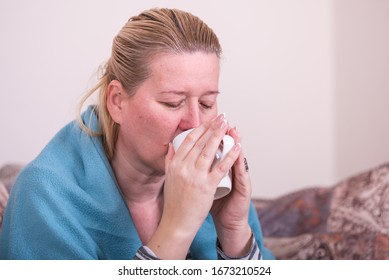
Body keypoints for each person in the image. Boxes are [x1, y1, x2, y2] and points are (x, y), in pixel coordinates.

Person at [0, 8, 273, 260]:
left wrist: (234, 231)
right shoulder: (46, 196)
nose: (194, 123)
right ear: (117, 101)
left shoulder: (212, 179)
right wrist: (176, 228)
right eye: (173, 103)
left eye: (207, 103)